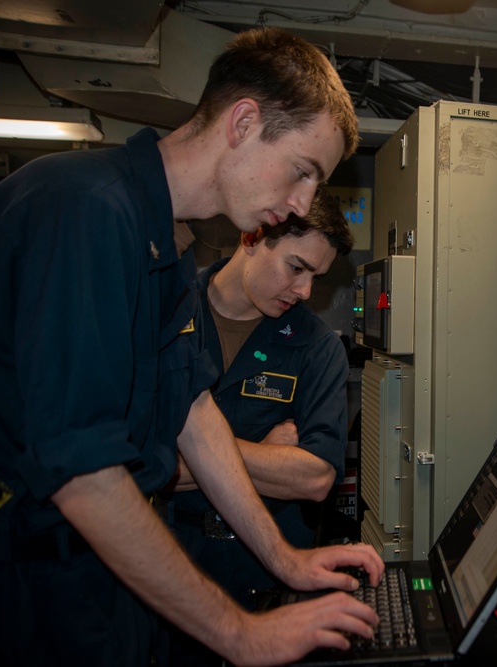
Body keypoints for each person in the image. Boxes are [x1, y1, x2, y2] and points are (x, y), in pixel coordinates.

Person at [0, 27, 384, 666]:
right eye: (303, 172)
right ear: (243, 121)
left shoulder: (162, 240)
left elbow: (192, 413)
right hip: (29, 592)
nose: (300, 204)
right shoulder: (87, 209)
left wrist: (288, 561)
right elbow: (84, 473)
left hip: (106, 584)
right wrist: (242, 633)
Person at [161, 189, 357, 665]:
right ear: (252, 237)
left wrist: (196, 454)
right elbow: (135, 462)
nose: (306, 291)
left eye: (316, 276)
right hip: (171, 565)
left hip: (265, 577)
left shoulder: (317, 348)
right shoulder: (168, 316)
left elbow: (314, 479)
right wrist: (264, 452)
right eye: (296, 267)